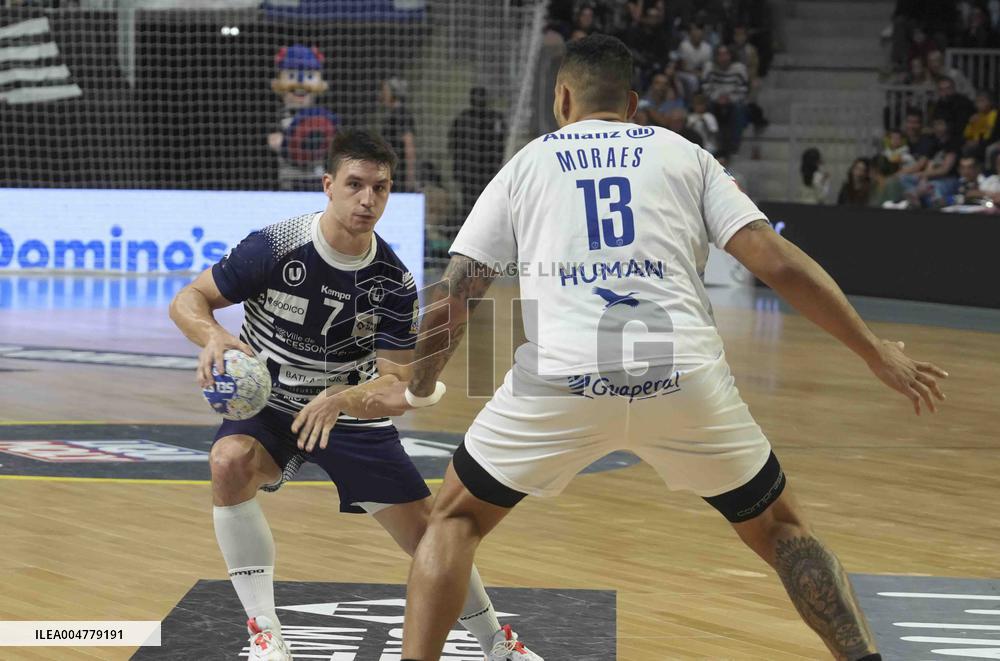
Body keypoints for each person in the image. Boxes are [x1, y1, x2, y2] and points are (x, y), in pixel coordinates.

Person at [363, 34, 947, 661]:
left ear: (562, 97)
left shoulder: (528, 163)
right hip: (683, 379)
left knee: (453, 520)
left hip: (562, 382)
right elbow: (776, 262)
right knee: (782, 530)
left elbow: (457, 296)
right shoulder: (686, 157)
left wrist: (419, 385)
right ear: (634, 103)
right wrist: (871, 350)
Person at [168, 129, 541, 661]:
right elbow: (189, 298)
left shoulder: (392, 279)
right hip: (269, 404)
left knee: (430, 537)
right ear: (329, 185)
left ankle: (497, 646)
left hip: (349, 413)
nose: (368, 200)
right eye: (356, 185)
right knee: (229, 461)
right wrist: (214, 336)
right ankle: (265, 634)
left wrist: (342, 399)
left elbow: (396, 386)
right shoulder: (275, 247)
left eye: (381, 188)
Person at [449, 87, 506, 219]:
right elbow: (454, 144)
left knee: (485, 205)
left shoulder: (494, 118)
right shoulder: (463, 119)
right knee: (470, 206)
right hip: (469, 174)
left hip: (486, 172)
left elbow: (500, 144)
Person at [701, 44, 750, 155]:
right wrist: (717, 98)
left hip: (733, 100)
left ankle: (733, 145)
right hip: (714, 99)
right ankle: (713, 142)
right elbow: (705, 88)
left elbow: (743, 90)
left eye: (726, 54)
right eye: (720, 54)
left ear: (731, 56)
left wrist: (730, 99)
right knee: (708, 109)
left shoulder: (739, 68)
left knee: (739, 109)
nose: (723, 57)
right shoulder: (709, 67)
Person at [380, 78, 418, 192]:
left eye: (385, 91)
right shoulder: (392, 114)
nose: (382, 94)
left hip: (399, 175)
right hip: (391, 172)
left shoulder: (401, 114)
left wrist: (410, 178)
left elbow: (409, 146)